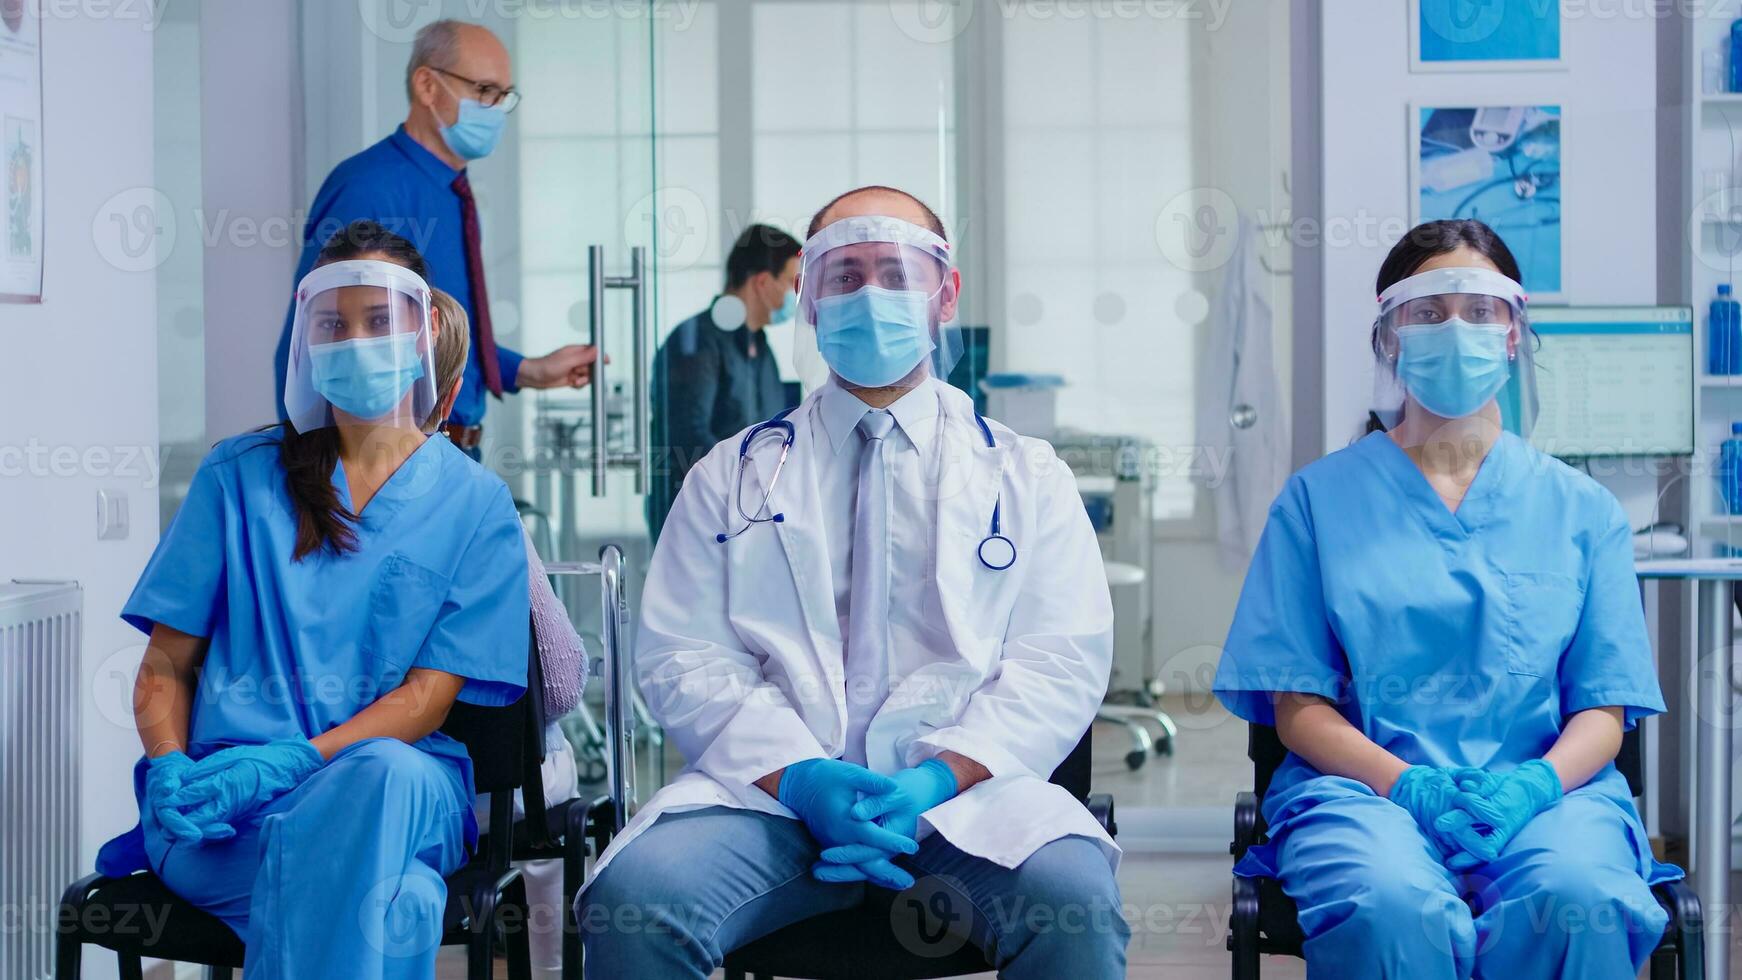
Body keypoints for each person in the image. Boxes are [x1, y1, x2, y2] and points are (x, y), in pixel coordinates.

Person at [580, 185, 1129, 978]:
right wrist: (801, 777)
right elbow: (681, 656)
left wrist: (935, 776)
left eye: (896, 273)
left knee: (1073, 905)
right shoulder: (729, 475)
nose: (870, 297)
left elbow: (1060, 659)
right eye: (844, 276)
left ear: (947, 295)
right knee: (640, 900)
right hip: (768, 805)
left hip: (965, 807)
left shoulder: (1025, 474)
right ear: (806, 298)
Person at [1212, 219, 1680, 979]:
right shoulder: (1317, 503)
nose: (1454, 328)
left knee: (1576, 895)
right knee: (1390, 904)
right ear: (1390, 335)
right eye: (1428, 311)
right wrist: (1410, 787)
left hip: (1549, 798)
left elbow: (1605, 708)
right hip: (1367, 796)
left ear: (1513, 333)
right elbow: (1298, 707)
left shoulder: (1582, 510)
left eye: (1480, 310)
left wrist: (1534, 786)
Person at [96, 221, 531, 979]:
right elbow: (166, 663)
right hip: (230, 810)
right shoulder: (237, 476)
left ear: (424, 330)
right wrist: (167, 765)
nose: (353, 342)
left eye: (377, 320)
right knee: (405, 905)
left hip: (398, 788)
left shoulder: (475, 505)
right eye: (333, 324)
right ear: (307, 337)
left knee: (383, 776)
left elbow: (427, 701)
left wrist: (295, 760)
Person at [274, 18, 598, 458]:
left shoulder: (454, 194)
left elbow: (429, 334)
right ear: (427, 86)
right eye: (484, 91)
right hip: (390, 465)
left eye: (503, 97)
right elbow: (309, 343)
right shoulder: (368, 189)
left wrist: (526, 371)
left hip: (452, 457)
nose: (495, 109)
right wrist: (319, 485)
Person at [425, 285, 584, 975]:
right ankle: (543, 968)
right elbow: (561, 677)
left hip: (306, 784)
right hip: (472, 802)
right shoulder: (482, 506)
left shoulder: (277, 494)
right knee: (550, 772)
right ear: (455, 393)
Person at [647, 223, 801, 540]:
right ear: (761, 281)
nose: (797, 293)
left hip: (750, 514)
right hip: (700, 517)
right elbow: (688, 437)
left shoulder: (760, 348)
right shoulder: (695, 341)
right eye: (791, 282)